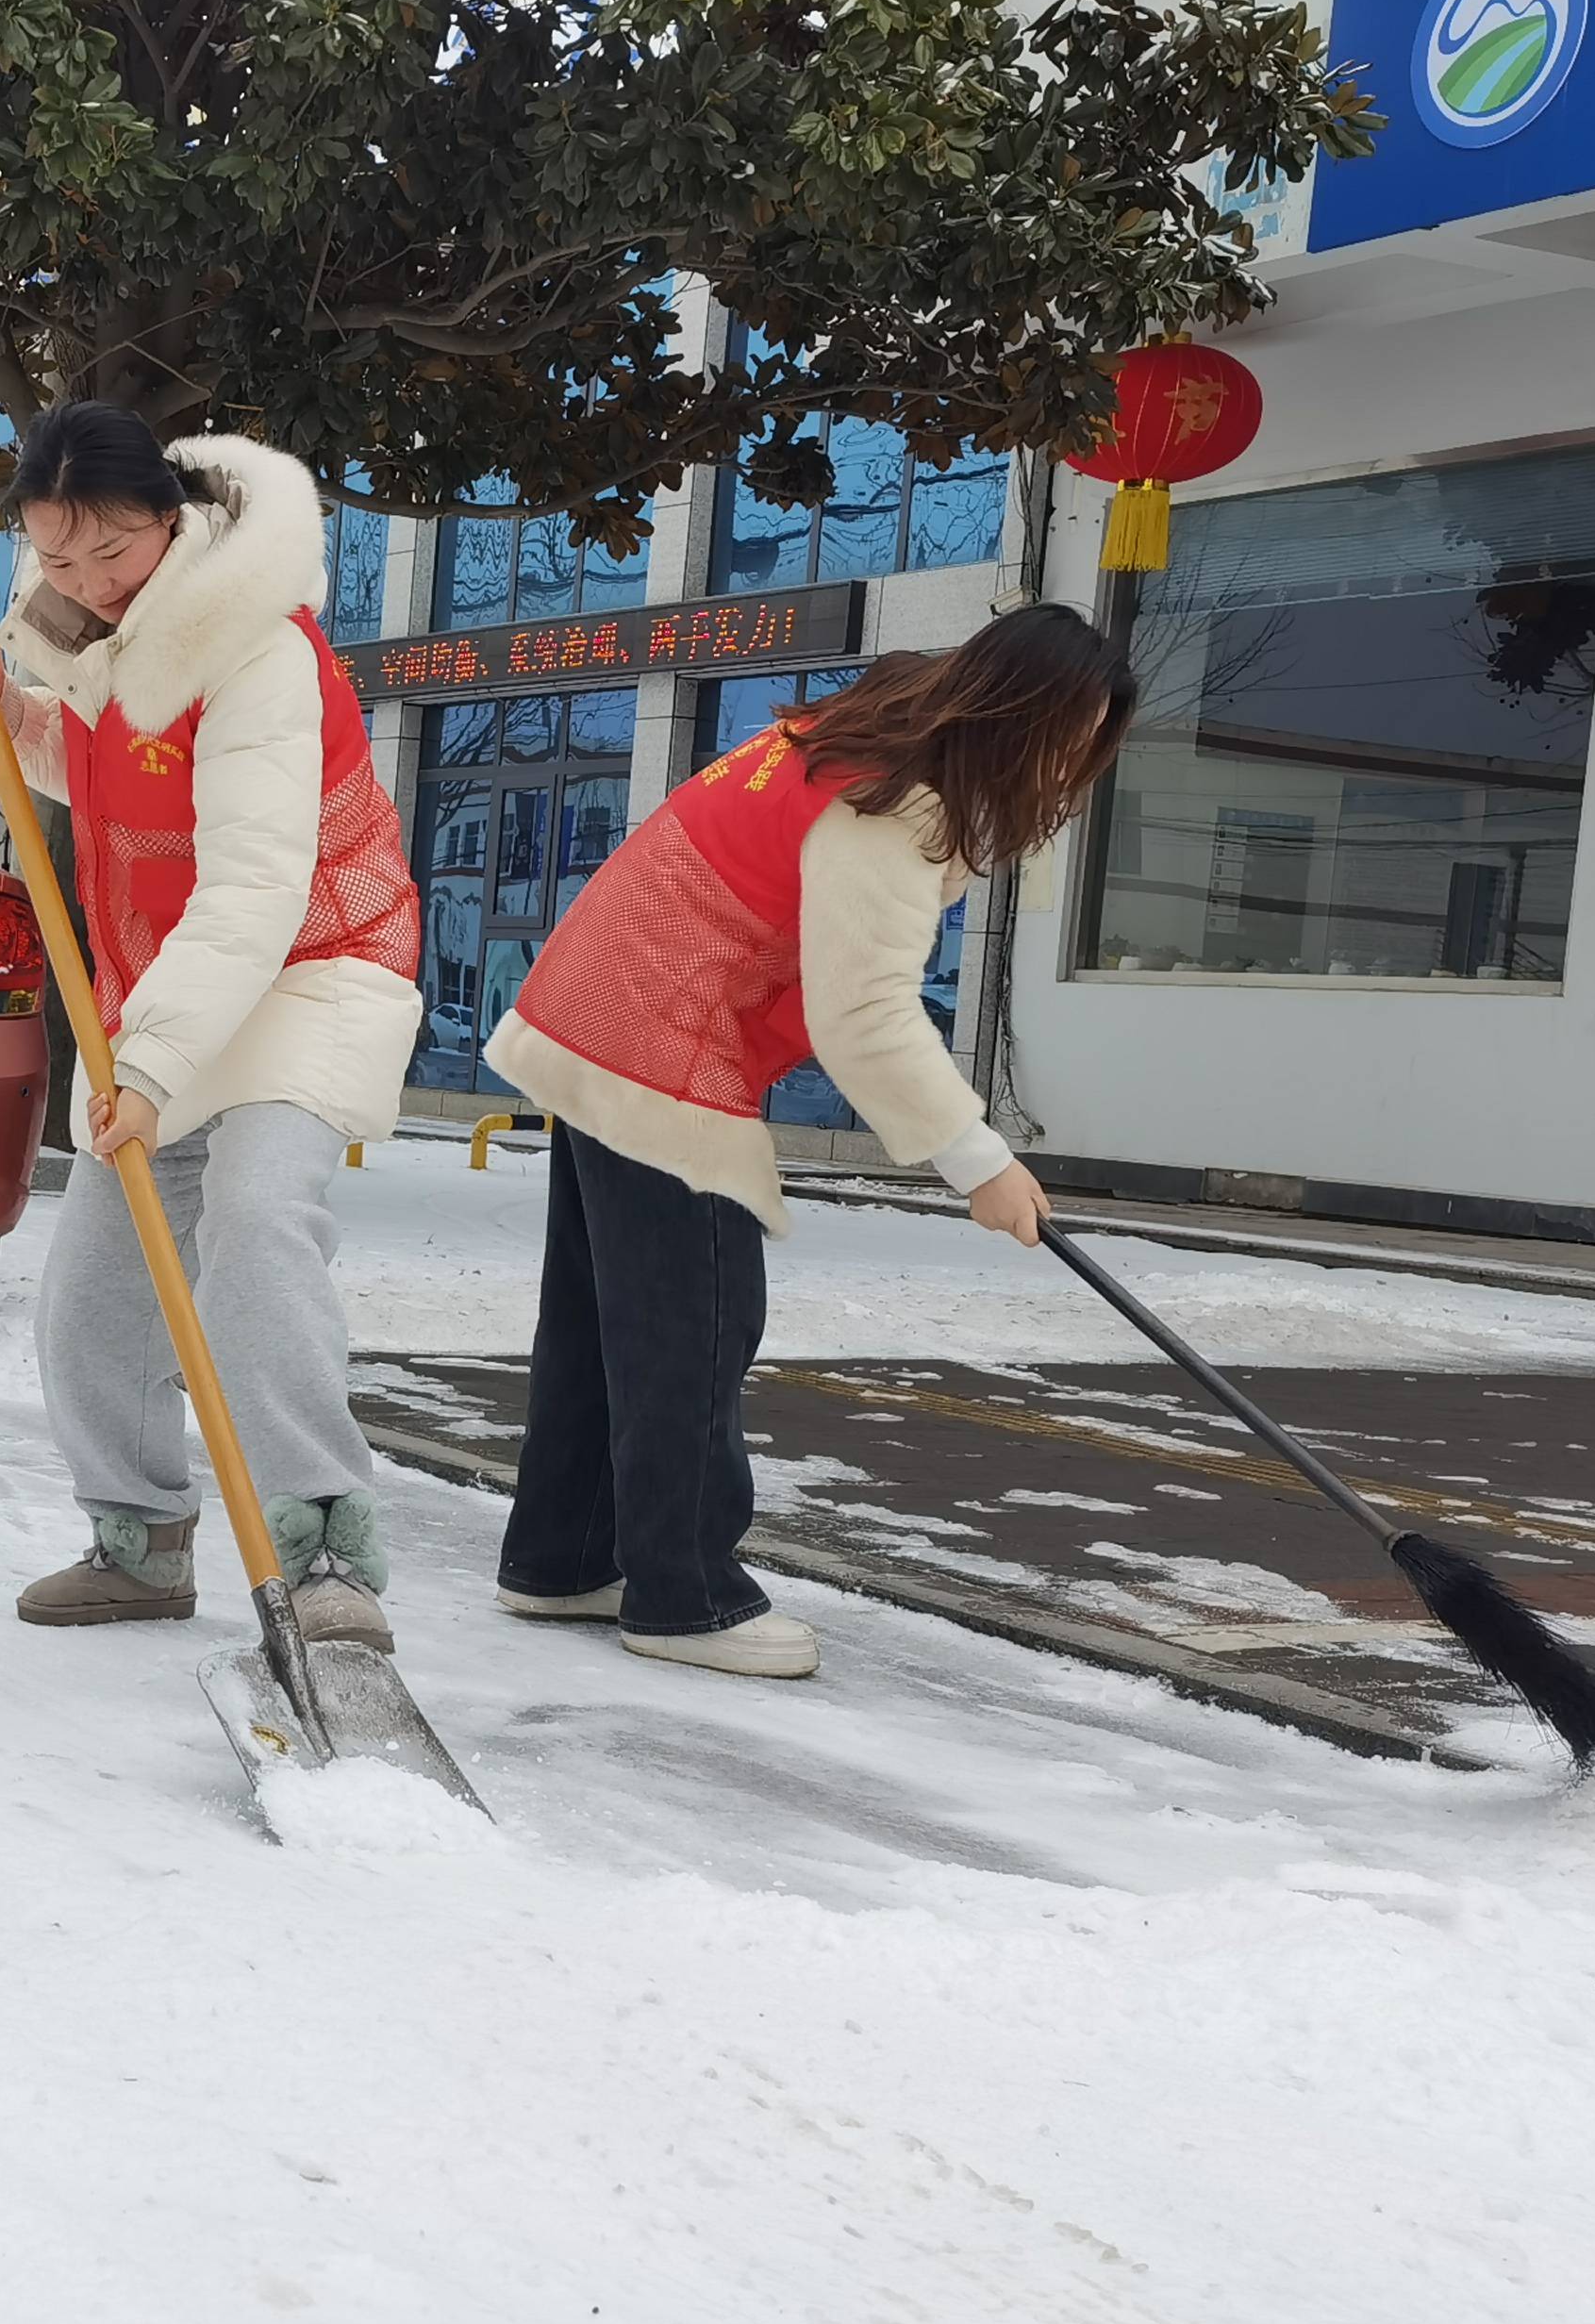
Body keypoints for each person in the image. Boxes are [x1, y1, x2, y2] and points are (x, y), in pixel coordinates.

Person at [482, 601, 1135, 1677]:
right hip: (660, 1041)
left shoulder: (861, 734)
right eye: (1066, 744)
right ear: (1014, 718)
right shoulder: (893, 802)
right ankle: (684, 1599)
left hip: (600, 1010)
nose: (1068, 776)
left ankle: (563, 1557)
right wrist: (980, 1162)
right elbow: (863, 1013)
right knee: (696, 1325)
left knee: (611, 1320)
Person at [0, 404, 423, 1648]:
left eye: (112, 552)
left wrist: (146, 1066)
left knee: (255, 1223)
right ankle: (141, 1542)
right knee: (98, 1286)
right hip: (173, 987)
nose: (88, 583)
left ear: (171, 518)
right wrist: (9, 715)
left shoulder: (253, 648)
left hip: (310, 968)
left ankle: (323, 1547)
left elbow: (256, 883)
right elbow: (116, 772)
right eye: (57, 558)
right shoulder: (90, 642)